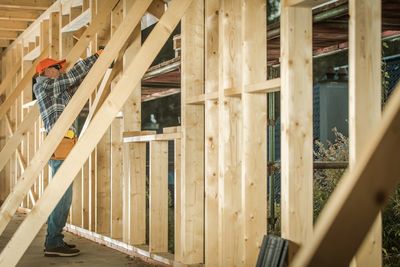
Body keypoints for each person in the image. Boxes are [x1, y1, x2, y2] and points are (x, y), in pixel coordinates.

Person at [33, 51, 101, 257]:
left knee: (63, 193)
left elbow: (74, 84)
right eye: (57, 67)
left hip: (65, 142)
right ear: (44, 71)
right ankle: (53, 241)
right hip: (60, 142)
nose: (60, 70)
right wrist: (96, 57)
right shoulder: (43, 85)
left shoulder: (56, 90)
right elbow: (70, 78)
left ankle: (54, 239)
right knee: (63, 195)